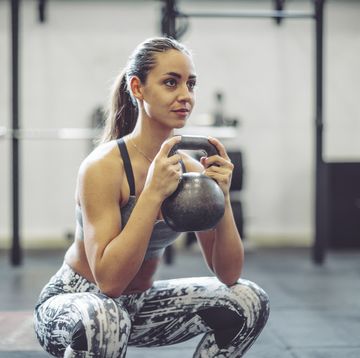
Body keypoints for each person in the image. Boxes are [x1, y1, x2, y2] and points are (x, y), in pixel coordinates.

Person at [33, 37, 270, 358]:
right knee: (105, 318)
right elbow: (110, 283)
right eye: (171, 83)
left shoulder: (188, 169)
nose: (185, 95)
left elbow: (228, 274)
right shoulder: (104, 167)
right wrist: (152, 194)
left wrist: (222, 197)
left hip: (139, 306)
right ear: (138, 88)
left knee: (249, 300)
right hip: (74, 307)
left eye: (191, 84)